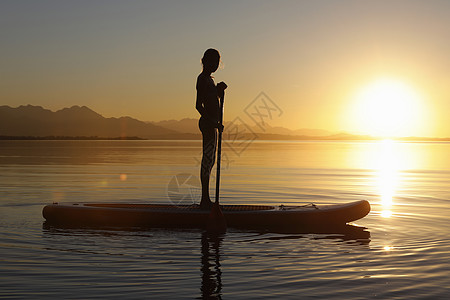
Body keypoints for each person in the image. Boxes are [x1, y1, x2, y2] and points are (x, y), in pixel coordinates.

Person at [196, 48, 227, 210]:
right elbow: (198, 106)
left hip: (213, 124)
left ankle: (206, 199)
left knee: (211, 161)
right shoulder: (202, 79)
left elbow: (215, 104)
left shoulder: (210, 80)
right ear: (204, 61)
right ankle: (204, 200)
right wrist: (213, 123)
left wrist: (219, 92)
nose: (214, 65)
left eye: (216, 62)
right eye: (211, 62)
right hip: (207, 124)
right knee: (207, 161)